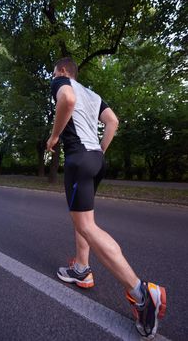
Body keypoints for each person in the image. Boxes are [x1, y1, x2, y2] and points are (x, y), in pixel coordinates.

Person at [46, 57, 166, 339]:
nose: (53, 76)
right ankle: (81, 269)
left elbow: (67, 100)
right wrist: (99, 150)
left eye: (54, 71)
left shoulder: (61, 82)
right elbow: (113, 121)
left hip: (79, 158)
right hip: (96, 160)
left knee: (86, 225)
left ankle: (142, 292)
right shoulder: (93, 94)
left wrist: (54, 137)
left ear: (63, 70)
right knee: (85, 219)